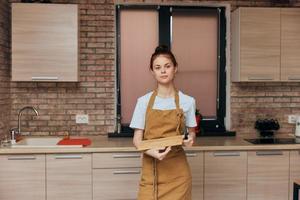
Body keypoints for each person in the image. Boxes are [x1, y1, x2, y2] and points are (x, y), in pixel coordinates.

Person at [130, 45, 197, 200]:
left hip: (178, 175)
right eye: (158, 67)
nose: (163, 71)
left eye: (167, 66)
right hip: (151, 172)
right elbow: (137, 140)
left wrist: (190, 140)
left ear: (175, 69)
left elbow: (191, 133)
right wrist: (150, 151)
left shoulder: (188, 102)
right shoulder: (143, 102)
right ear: (152, 72)